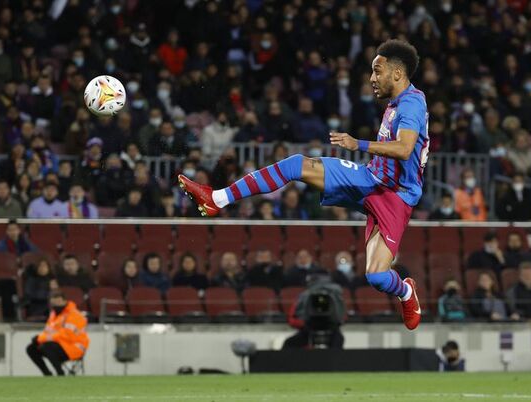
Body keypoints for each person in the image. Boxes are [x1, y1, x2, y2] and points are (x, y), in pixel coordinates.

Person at [179, 39, 427, 330]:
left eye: (377, 70)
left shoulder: (410, 104)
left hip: (396, 197)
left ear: (397, 73)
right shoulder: (396, 102)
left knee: (376, 277)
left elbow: (405, 148)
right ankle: (216, 199)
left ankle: (407, 291)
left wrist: (355, 143)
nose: (372, 78)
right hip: (371, 179)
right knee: (295, 164)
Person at [26, 291, 89, 376]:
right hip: (60, 345)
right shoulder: (54, 315)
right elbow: (48, 332)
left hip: (74, 347)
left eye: (58, 302)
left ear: (65, 301)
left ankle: (60, 373)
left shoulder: (74, 314)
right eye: (54, 303)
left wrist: (40, 338)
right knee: (31, 348)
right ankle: (47, 374)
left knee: (46, 347)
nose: (57, 305)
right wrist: (39, 339)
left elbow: (67, 335)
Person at [283, 273, 346, 349]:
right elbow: (343, 317)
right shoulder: (337, 295)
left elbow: (293, 316)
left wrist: (304, 322)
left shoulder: (304, 295)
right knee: (339, 342)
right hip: (333, 332)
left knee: (289, 343)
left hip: (308, 330)